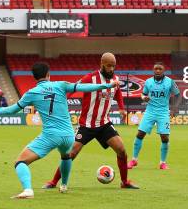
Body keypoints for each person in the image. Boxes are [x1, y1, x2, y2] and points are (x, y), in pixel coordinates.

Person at [0, 62, 118, 199]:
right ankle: (63, 185)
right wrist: (108, 85)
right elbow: (83, 87)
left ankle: (27, 190)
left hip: (51, 135)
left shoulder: (31, 93)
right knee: (66, 156)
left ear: (34, 77)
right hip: (69, 135)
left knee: (20, 162)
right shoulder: (60, 85)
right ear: (48, 74)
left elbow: (12, 110)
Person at [44, 52, 139, 189]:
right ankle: (53, 182)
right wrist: (60, 99)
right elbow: (72, 88)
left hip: (104, 124)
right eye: (108, 66)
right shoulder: (90, 78)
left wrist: (122, 108)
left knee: (121, 150)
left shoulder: (115, 79)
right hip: (86, 125)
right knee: (71, 153)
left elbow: (117, 92)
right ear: (102, 64)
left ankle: (124, 182)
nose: (111, 69)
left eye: (113, 66)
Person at [128, 62, 181, 170]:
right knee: (140, 134)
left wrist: (174, 108)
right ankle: (134, 160)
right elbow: (143, 94)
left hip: (163, 112)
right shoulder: (148, 82)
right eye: (155, 69)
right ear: (153, 70)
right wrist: (144, 98)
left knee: (165, 137)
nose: (157, 70)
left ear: (163, 70)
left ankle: (162, 162)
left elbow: (178, 94)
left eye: (160, 69)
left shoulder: (169, 82)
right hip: (150, 112)